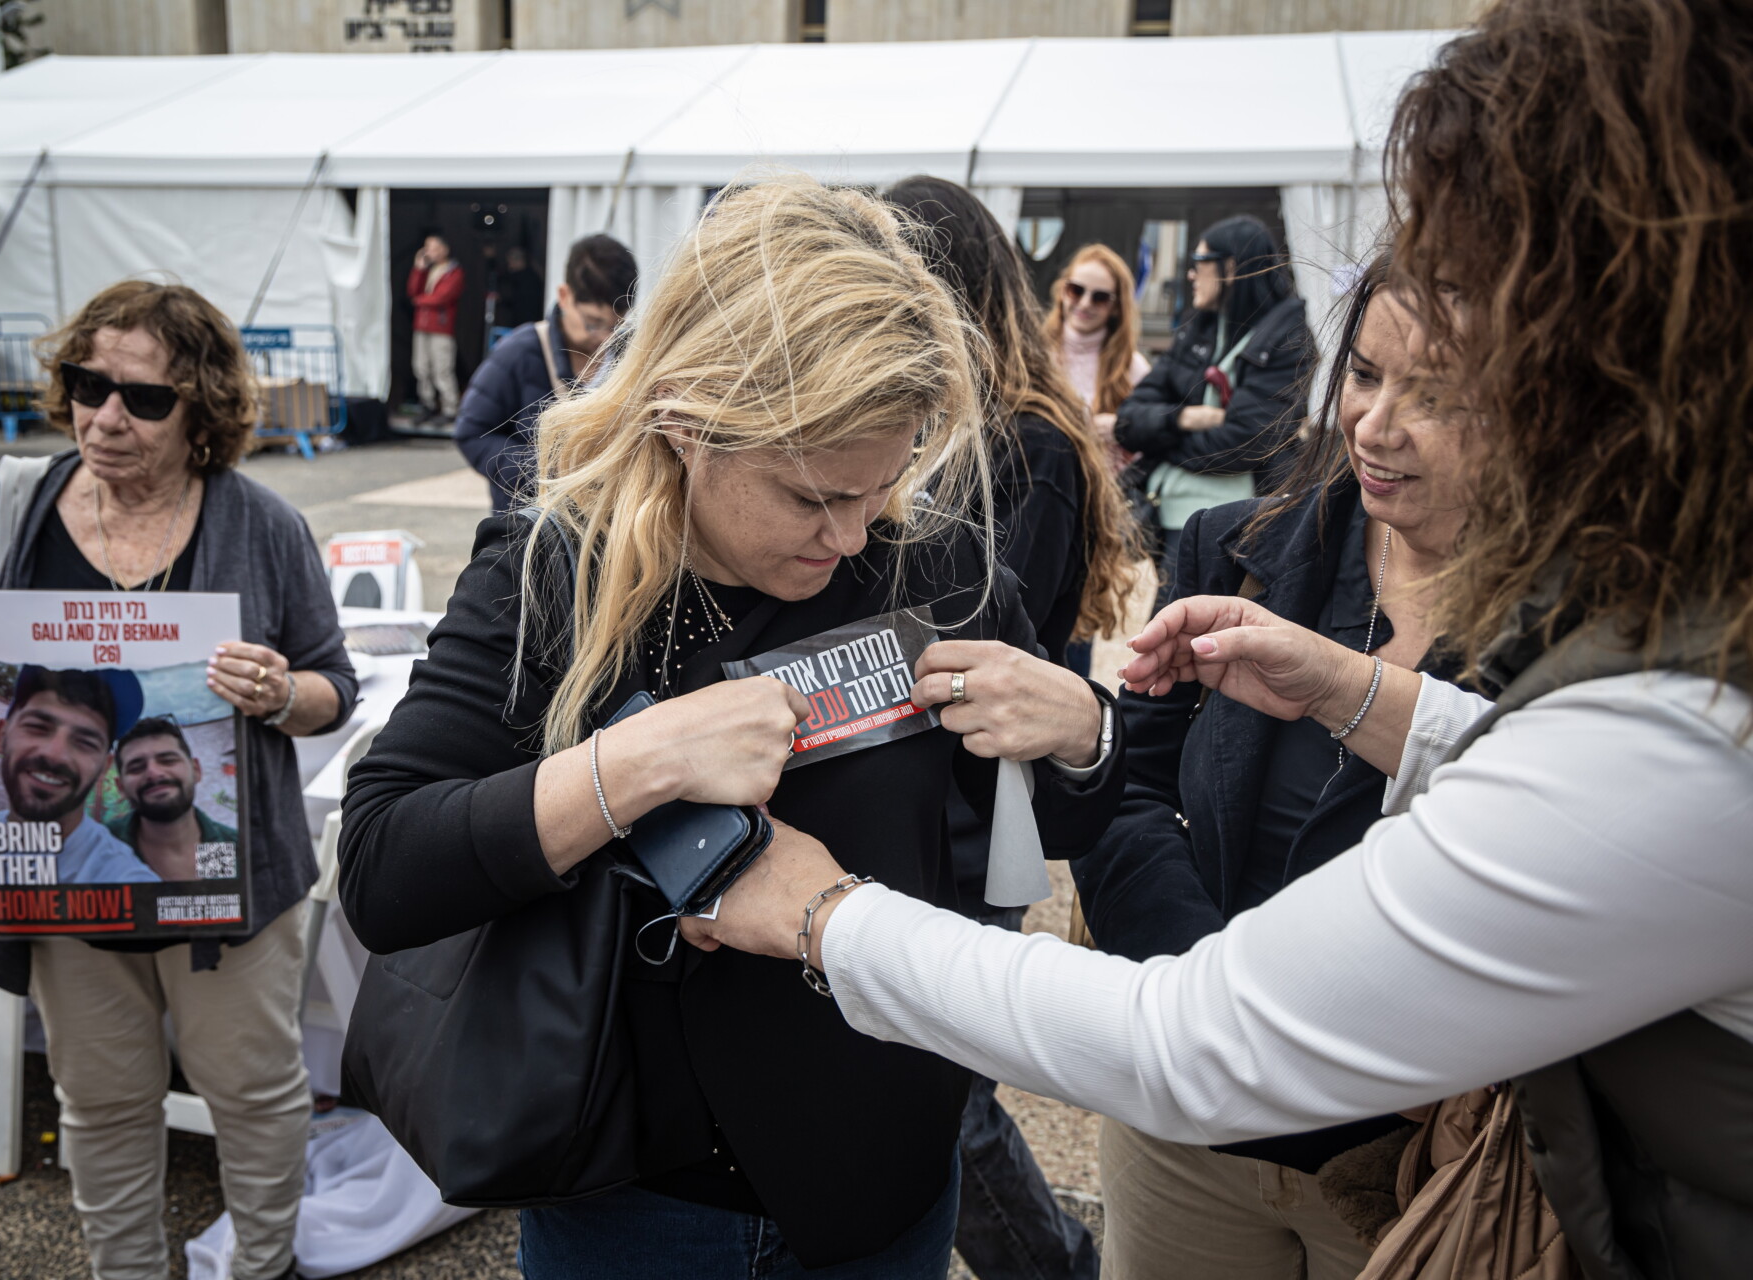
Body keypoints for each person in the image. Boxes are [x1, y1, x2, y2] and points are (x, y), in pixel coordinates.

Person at [684, 4, 1753, 1278]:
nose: (1392, 422)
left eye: (1476, 351)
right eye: (1370, 368)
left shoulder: (1682, 721)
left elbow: (1194, 1037)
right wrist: (1362, 691)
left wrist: (823, 911)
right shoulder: (1657, 670)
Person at [340, 175, 1121, 1279]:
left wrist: (1082, 729)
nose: (851, 536)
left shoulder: (929, 560)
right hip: (648, 1204)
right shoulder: (557, 570)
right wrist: (634, 762)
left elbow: (1049, 817)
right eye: (811, 496)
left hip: (894, 1168)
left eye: (881, 484)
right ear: (687, 418)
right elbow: (381, 864)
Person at [0, 280, 358, 1280]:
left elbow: (337, 683)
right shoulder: (16, 501)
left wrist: (283, 691)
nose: (105, 417)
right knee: (99, 1099)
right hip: (65, 885)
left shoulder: (263, 524)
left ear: (199, 409)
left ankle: (263, 1264)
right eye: (86, 384)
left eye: (143, 398)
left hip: (228, 891)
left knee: (253, 1092)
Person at [1070, 253, 1484, 1280]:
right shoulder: (1236, 549)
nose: (1377, 425)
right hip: (1189, 1128)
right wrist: (1207, 1002)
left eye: (1431, 394)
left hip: (1414, 1157)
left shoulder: (1571, 626)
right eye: (1364, 375)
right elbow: (1127, 788)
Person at [885, 174, 1140, 1280]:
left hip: (980, 803)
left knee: (948, 1084)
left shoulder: (1025, 440)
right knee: (939, 1072)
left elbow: (1004, 632)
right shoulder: (966, 423)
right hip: (941, 793)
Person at [1115, 215, 1310, 574]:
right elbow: (1128, 420)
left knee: (1185, 626)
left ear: (1230, 267)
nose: (1191, 274)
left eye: (1200, 262)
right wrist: (1182, 419)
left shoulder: (1288, 336)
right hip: (1167, 514)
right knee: (1172, 624)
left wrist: (1162, 440)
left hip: (1237, 524)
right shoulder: (1197, 328)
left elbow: (1246, 442)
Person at [453, 233, 637, 514]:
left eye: (615, 326)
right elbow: (471, 432)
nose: (604, 337)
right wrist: (542, 470)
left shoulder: (634, 354)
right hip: (529, 530)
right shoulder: (519, 352)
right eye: (592, 323)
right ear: (564, 296)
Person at [0, 665, 156, 885]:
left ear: (104, 768)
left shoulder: (127, 882)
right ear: (1, 736)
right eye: (38, 727)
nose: (55, 754)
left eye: (85, 743)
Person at [1044, 244, 1150, 469]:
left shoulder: (1133, 367)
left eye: (1100, 297)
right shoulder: (1034, 351)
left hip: (1103, 492)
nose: (1084, 303)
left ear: (1116, 307)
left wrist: (1121, 429)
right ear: (1063, 291)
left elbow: (1146, 447)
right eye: (1076, 290)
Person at [109, 716, 239, 882]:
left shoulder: (232, 846)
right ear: (121, 787)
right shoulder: (99, 850)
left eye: (167, 760)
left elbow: (217, 897)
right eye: (137, 767)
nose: (154, 773)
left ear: (196, 770)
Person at [407, 231, 464, 427]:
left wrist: (419, 301)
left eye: (433, 247)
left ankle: (450, 408)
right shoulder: (427, 270)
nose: (429, 251)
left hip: (441, 328)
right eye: (427, 247)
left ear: (444, 249)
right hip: (421, 326)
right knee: (421, 367)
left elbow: (442, 297)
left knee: (442, 369)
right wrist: (418, 269)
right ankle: (427, 404)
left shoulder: (454, 272)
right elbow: (412, 290)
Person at [493, 244, 545, 329]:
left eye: (510, 263)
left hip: (526, 321)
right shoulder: (529, 275)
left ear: (519, 261)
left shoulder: (525, 277)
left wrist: (501, 299)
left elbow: (518, 299)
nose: (509, 266)